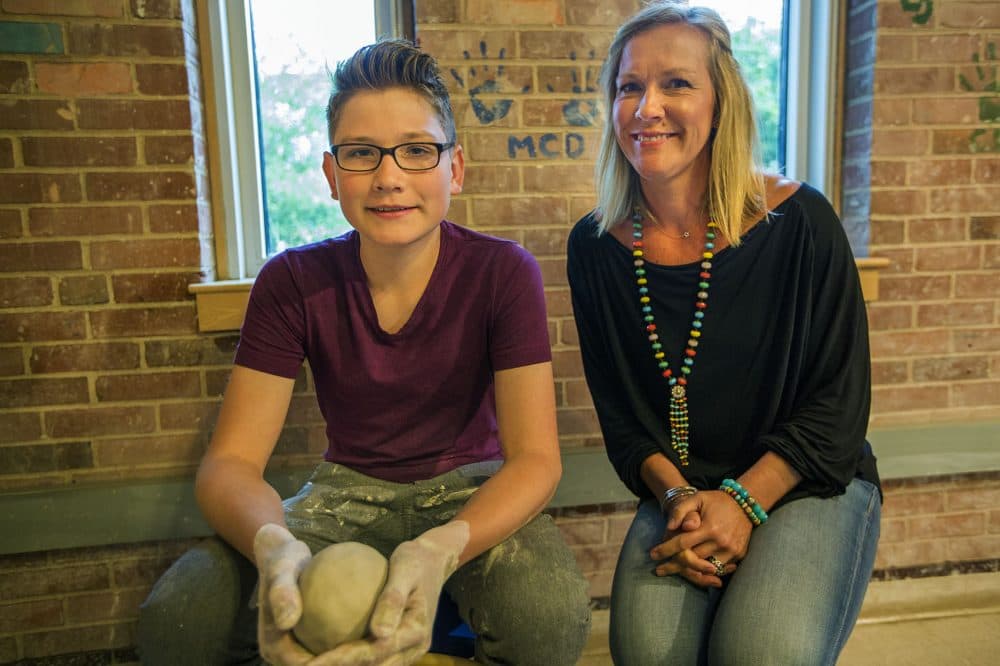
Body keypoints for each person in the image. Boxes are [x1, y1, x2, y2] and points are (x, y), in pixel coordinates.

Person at [138, 39, 591, 666]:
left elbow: (537, 460)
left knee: (548, 619)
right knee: (181, 618)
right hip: (343, 494)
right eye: (360, 154)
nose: (388, 177)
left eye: (416, 150)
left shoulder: (502, 272)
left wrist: (439, 548)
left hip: (471, 492)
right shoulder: (293, 281)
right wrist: (274, 547)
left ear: (454, 168)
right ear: (331, 175)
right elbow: (231, 464)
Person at [566, 3, 882, 664]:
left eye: (676, 83)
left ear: (721, 103)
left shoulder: (800, 223)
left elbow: (838, 409)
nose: (647, 106)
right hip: (680, 491)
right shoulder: (595, 249)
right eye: (629, 87)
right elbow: (625, 424)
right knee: (648, 654)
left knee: (758, 652)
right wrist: (682, 498)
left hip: (808, 480)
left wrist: (740, 503)